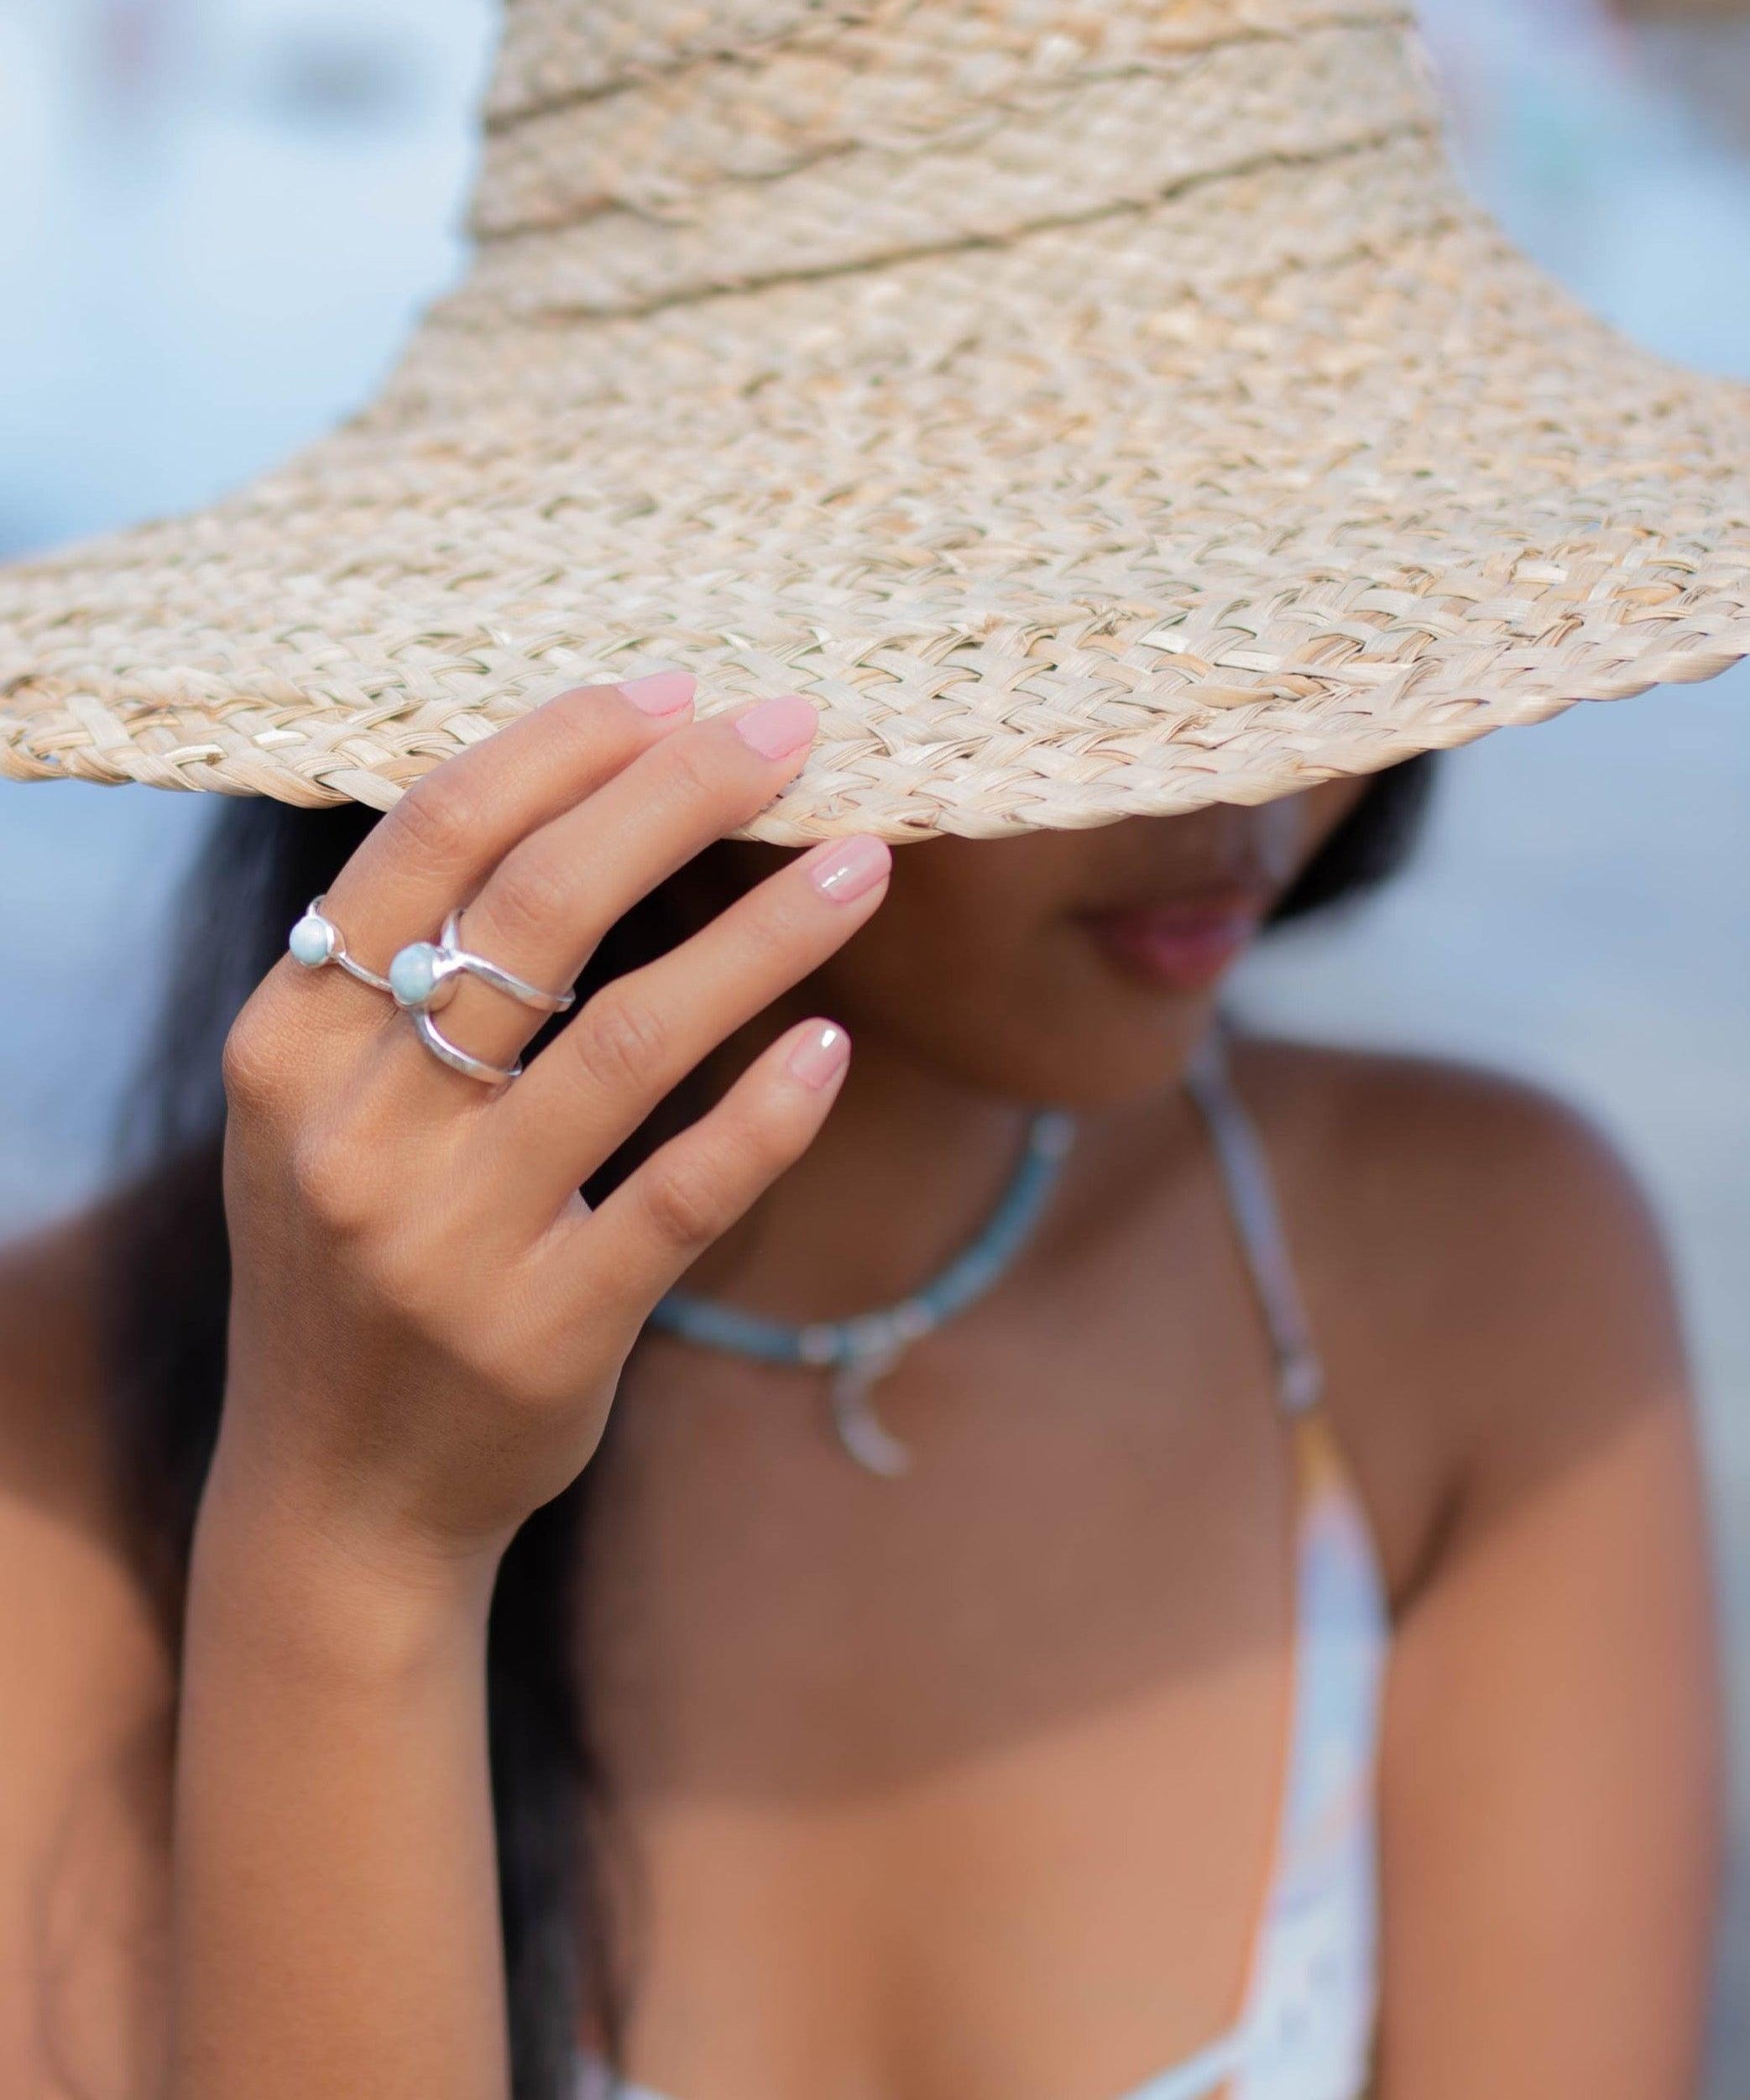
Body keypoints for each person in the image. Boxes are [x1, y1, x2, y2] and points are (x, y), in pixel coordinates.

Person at [0, 3, 1741, 2097]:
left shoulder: (1476, 1279)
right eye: (1052, 639)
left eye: (1305, 610)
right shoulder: (71, 1424)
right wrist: (350, 1547)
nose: (1238, 769)